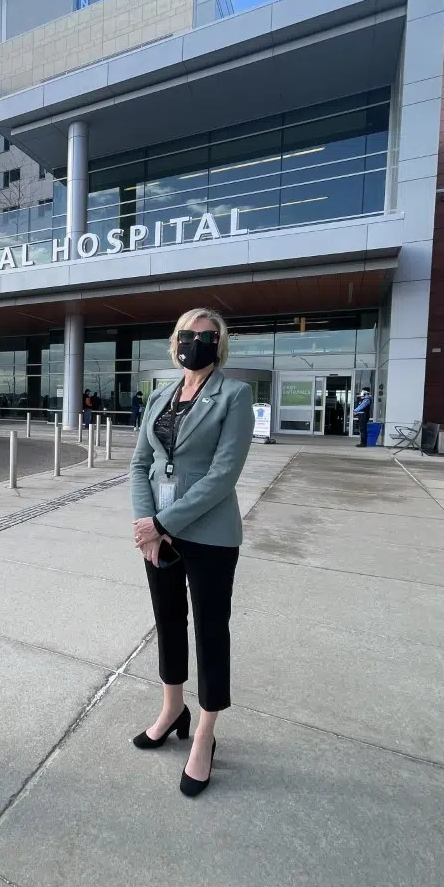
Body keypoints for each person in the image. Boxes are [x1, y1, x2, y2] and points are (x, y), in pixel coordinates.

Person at [129, 308, 253, 798]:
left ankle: (205, 733)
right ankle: (171, 708)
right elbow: (141, 463)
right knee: (168, 622)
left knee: (209, 630)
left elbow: (223, 476)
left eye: (206, 336)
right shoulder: (160, 395)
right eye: (186, 334)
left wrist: (163, 523)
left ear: (218, 344)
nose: (194, 342)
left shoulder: (235, 395)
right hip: (159, 534)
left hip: (210, 534)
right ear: (174, 339)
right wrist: (147, 526)